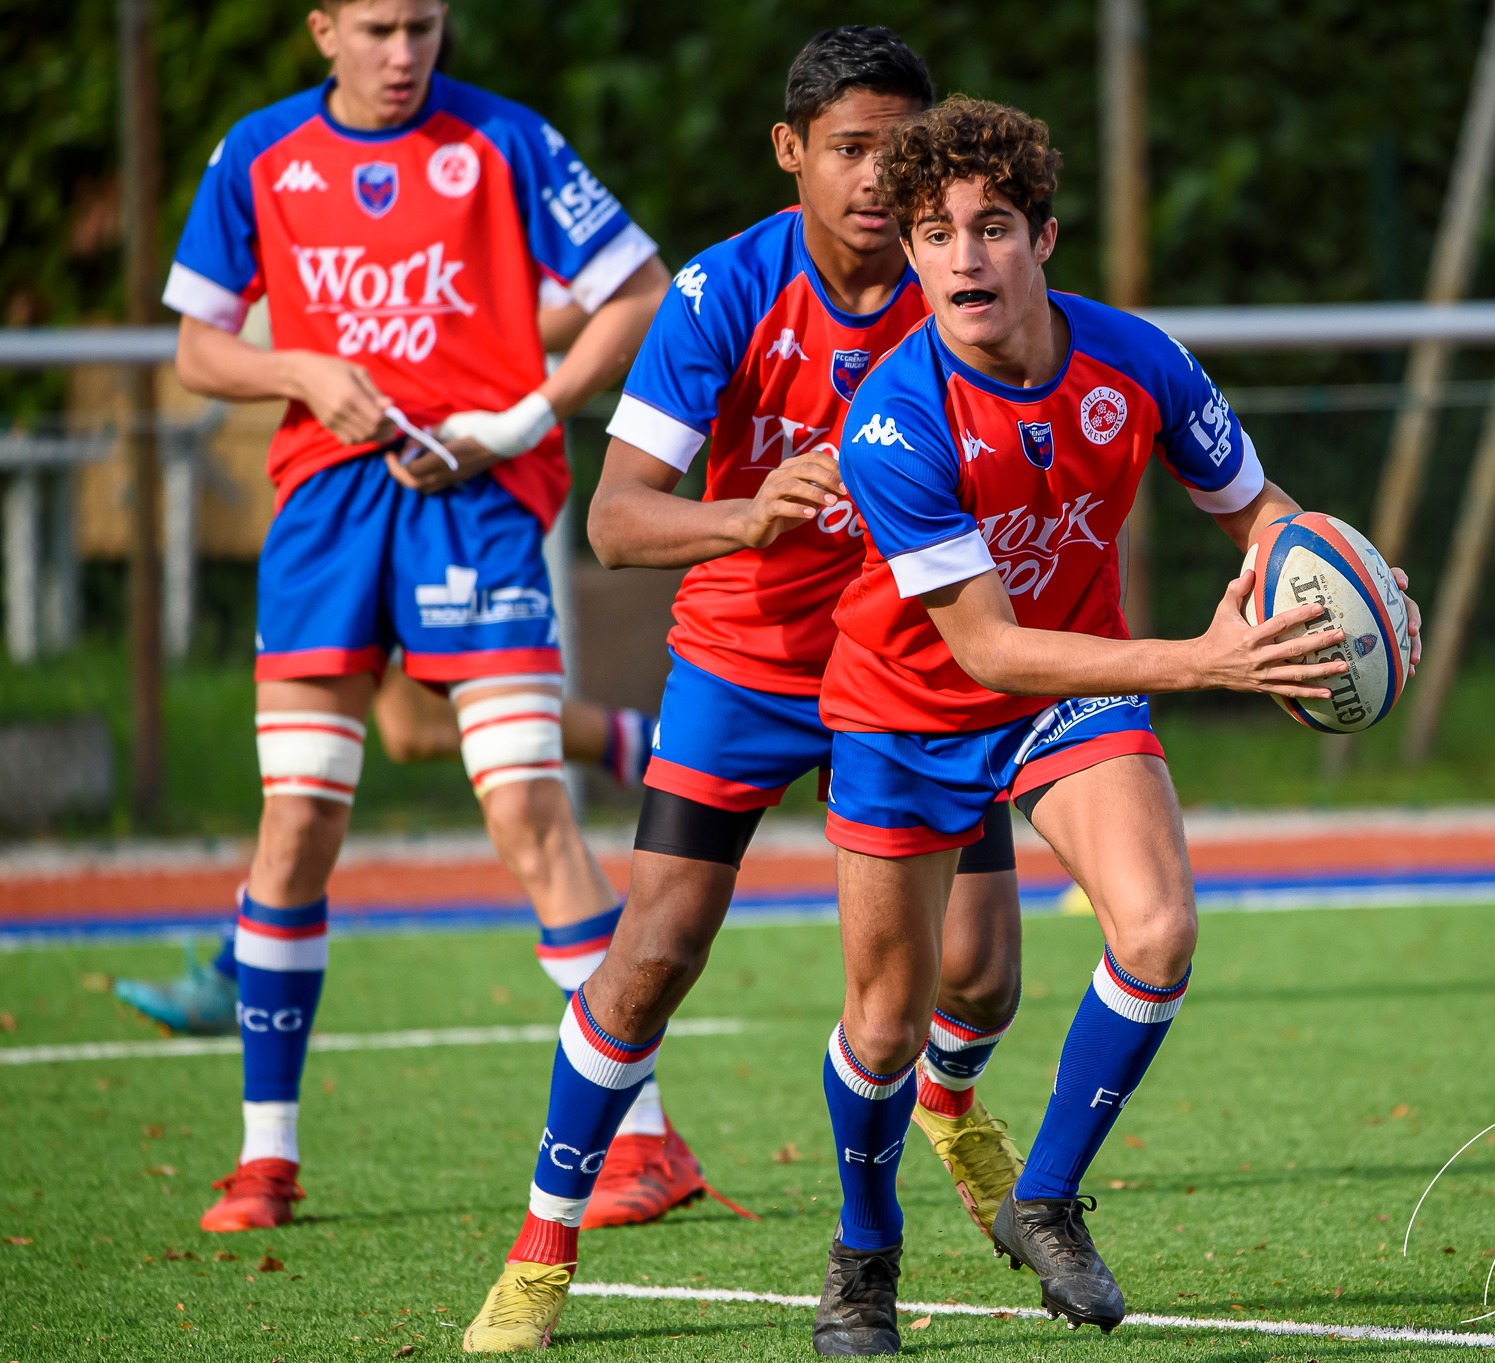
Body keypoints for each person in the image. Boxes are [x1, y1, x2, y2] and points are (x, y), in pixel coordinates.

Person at [804, 98, 1421, 1355]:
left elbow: (1258, 514)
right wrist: (1202, 660)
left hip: (1070, 695)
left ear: (1043, 238)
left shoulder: (1138, 361)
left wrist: (1335, 584)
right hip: (909, 709)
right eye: (932, 234)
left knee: (1157, 927)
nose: (962, 258)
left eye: (990, 228)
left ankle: (1045, 1198)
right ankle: (864, 1253)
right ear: (910, 256)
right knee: (892, 1015)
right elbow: (980, 646)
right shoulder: (891, 418)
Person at [458, 30, 1032, 1354]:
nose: (877, 180)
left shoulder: (968, 291)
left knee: (983, 975)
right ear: (791, 154)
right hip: (745, 661)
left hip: (911, 660)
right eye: (847, 150)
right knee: (652, 954)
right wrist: (750, 512)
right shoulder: (722, 291)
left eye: (900, 149)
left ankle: (947, 1100)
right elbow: (614, 519)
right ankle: (542, 1248)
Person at [158, 0, 711, 1236]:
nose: (403, 53)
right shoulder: (258, 154)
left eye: (421, 26)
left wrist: (520, 417)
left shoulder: (505, 140)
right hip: (322, 514)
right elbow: (199, 347)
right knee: (295, 822)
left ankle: (646, 1136)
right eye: (377, 28)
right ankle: (265, 1158)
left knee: (523, 808)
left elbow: (638, 287)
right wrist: (298, 369)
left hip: (478, 507)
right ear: (322, 30)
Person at [114, 669, 655, 1039]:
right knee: (404, 734)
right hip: (353, 530)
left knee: (519, 791)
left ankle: (640, 1124)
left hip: (422, 528)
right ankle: (264, 1134)